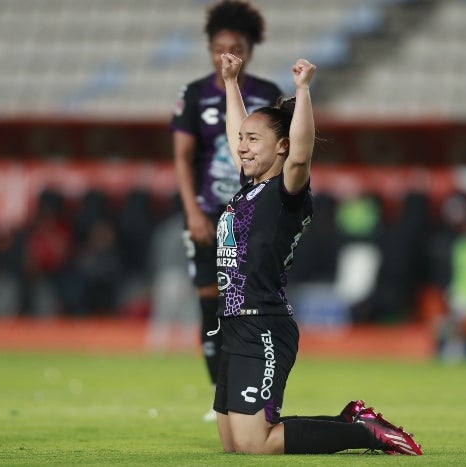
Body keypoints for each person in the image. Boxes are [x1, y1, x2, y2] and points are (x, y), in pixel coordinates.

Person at [211, 53, 423, 455]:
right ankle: (352, 420)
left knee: (257, 444)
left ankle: (367, 434)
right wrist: (231, 82)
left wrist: (303, 91)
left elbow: (303, 154)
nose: (242, 146)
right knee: (234, 446)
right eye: (242, 140)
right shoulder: (250, 187)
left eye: (253, 140)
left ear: (282, 147)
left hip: (263, 325)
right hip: (234, 323)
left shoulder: (285, 192)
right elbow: (236, 131)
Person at [170, 0, 283, 422]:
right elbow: (183, 158)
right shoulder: (195, 95)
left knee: (245, 304)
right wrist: (193, 214)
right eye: (218, 47)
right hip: (204, 214)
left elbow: (280, 157)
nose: (225, 55)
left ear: (249, 50)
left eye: (234, 46)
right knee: (209, 304)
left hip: (249, 215)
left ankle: (248, 392)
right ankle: (220, 394)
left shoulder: (266, 94)